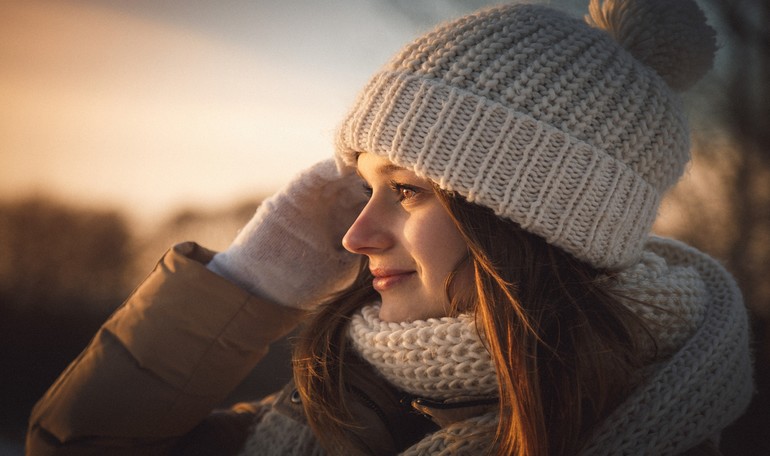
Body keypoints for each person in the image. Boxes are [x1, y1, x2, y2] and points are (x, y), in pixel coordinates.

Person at [26, 0, 754, 455]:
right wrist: (248, 281)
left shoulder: (661, 432)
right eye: (363, 187)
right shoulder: (340, 409)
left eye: (406, 191)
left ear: (534, 224)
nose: (354, 235)